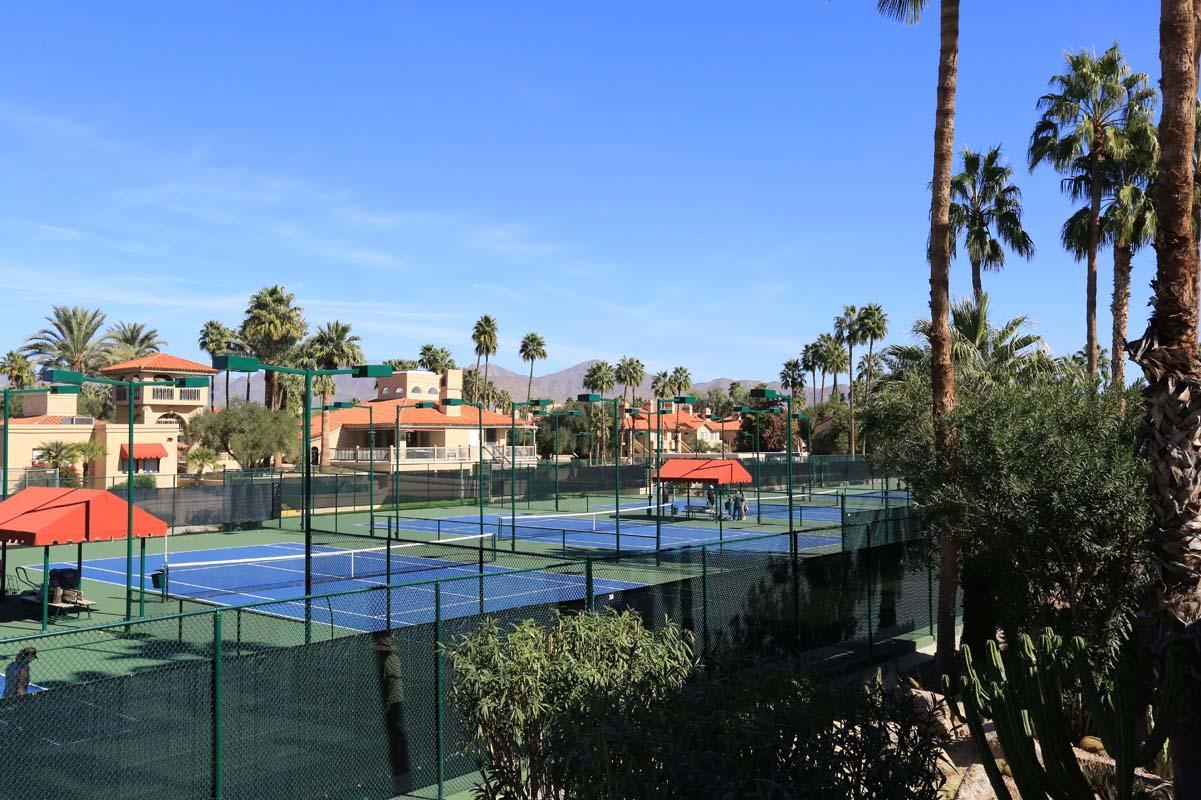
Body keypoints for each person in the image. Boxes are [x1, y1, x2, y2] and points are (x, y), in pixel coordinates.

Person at [372, 632, 410, 792]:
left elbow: (391, 682)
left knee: (396, 732)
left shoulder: (390, 660)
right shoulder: (389, 659)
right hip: (393, 701)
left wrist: (386, 701)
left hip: (394, 702)